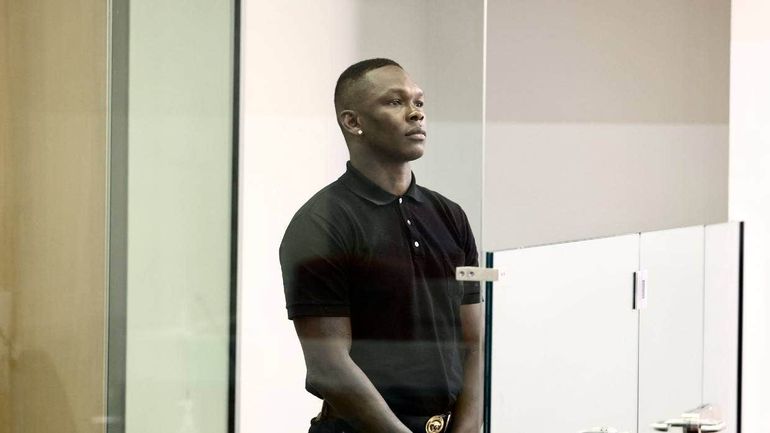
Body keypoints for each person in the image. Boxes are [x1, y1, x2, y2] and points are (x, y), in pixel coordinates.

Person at [279, 58, 482, 433]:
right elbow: (328, 366)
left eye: (418, 102)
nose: (416, 113)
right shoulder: (321, 224)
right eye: (395, 101)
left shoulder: (451, 216)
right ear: (352, 121)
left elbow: (474, 342)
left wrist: (467, 427)